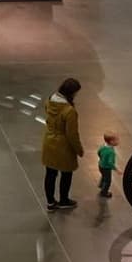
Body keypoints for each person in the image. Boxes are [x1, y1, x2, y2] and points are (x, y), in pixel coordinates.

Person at [41, 78, 84, 211]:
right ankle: (64, 200)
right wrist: (79, 149)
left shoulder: (50, 100)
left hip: (49, 141)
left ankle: (50, 202)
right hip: (63, 146)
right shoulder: (69, 111)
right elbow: (72, 134)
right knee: (66, 173)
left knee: (50, 173)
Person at [95, 131, 122, 199]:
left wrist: (102, 159)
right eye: (117, 140)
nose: (118, 141)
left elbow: (98, 152)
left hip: (100, 165)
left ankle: (101, 185)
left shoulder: (103, 147)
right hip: (106, 168)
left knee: (104, 176)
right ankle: (104, 192)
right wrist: (116, 169)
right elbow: (110, 163)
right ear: (111, 141)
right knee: (108, 180)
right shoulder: (111, 152)